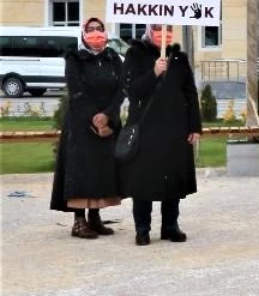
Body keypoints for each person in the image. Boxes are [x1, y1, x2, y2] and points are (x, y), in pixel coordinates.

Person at [119, 25, 202, 246]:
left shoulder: (179, 58)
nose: (163, 35)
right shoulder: (135, 54)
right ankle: (142, 228)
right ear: (149, 31)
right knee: (144, 179)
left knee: (172, 177)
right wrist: (154, 72)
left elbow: (190, 92)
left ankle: (170, 226)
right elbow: (131, 89)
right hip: (146, 127)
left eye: (166, 30)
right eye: (157, 29)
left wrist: (194, 126)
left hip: (175, 127)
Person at [50, 18, 124, 239]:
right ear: (83, 34)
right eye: (90, 30)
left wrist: (108, 117)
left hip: (107, 124)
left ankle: (95, 216)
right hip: (80, 124)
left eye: (99, 29)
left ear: (105, 33)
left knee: (100, 170)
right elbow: (76, 91)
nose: (95, 33)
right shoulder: (75, 59)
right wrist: (94, 117)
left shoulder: (113, 59)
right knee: (80, 171)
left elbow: (122, 90)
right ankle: (79, 220)